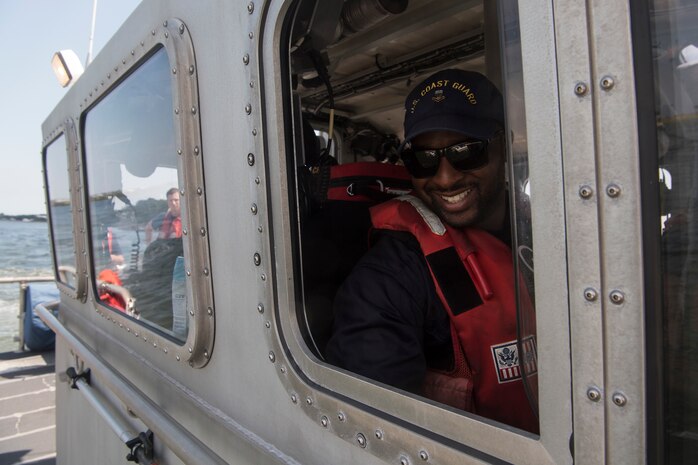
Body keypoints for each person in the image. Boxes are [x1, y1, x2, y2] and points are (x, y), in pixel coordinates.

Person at [325, 69, 538, 433]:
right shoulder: (390, 276)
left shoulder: (549, 234)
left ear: (504, 144)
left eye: (466, 152)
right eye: (423, 159)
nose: (445, 177)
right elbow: (374, 427)